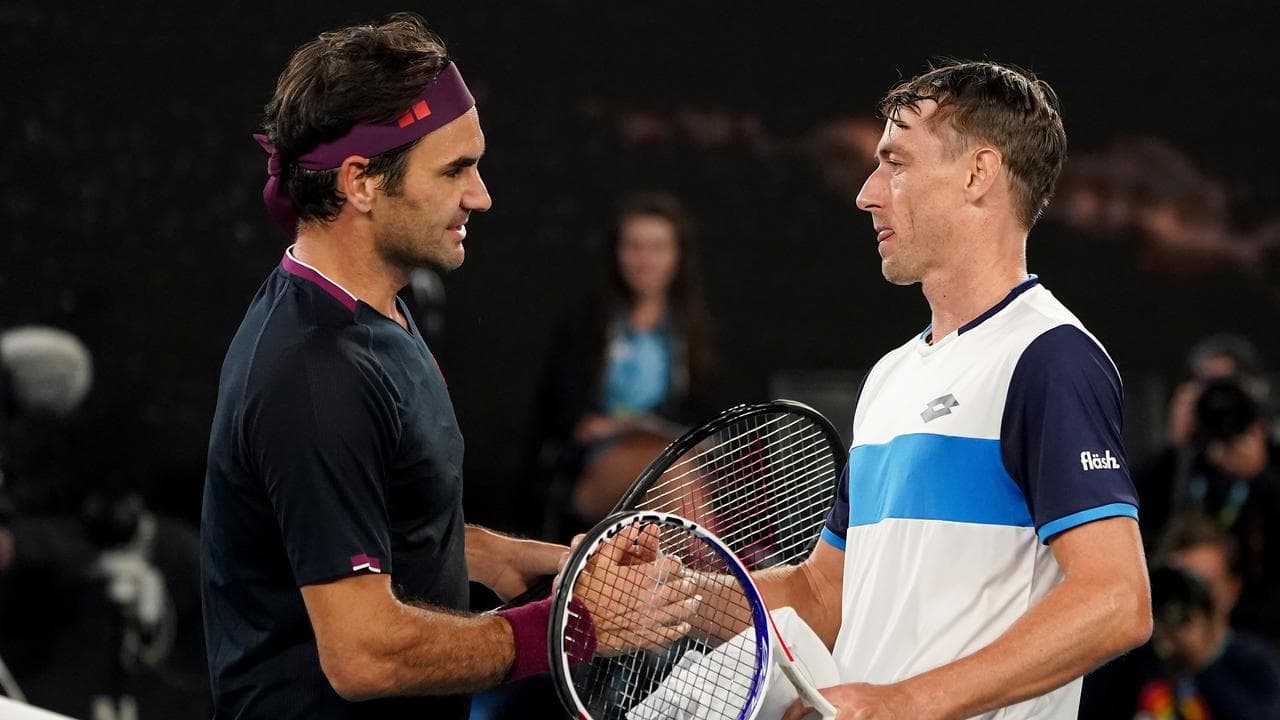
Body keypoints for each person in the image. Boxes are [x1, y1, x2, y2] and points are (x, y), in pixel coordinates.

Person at [200, 15, 679, 719]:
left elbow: (405, 535)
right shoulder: (317, 375)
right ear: (361, 182)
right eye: (455, 168)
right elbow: (365, 654)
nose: (480, 194)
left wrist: (562, 565)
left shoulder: (377, 313)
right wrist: (578, 627)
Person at [729, 61, 1153, 719]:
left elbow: (1116, 599)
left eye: (895, 162)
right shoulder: (890, 376)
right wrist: (684, 596)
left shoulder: (1049, 358)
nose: (868, 194)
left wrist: (905, 702)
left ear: (977, 174)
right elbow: (822, 592)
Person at [529, 191, 720, 539]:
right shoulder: (584, 323)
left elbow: (706, 417)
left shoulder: (693, 330)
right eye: (634, 246)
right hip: (592, 468)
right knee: (670, 471)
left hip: (678, 460)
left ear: (679, 255)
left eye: (657, 247)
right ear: (617, 252)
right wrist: (613, 429)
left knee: (672, 473)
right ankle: (722, 575)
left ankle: (703, 577)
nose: (644, 259)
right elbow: (565, 417)